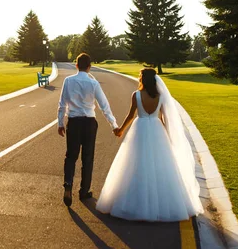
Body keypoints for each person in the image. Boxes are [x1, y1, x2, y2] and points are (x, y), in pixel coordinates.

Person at [96, 68, 203, 222]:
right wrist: (168, 136)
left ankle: (136, 203)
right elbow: (166, 119)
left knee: (135, 164)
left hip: (139, 130)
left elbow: (130, 116)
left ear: (142, 79)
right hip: (157, 130)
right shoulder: (161, 97)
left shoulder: (136, 95)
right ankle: (162, 204)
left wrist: (120, 130)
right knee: (160, 166)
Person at [58, 52, 119, 207]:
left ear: (76, 65)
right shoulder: (93, 83)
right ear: (89, 67)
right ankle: (84, 191)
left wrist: (60, 123)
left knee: (71, 156)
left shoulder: (68, 81)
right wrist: (114, 125)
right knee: (88, 157)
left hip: (74, 122)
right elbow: (104, 106)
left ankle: (68, 184)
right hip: (89, 123)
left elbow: (62, 103)